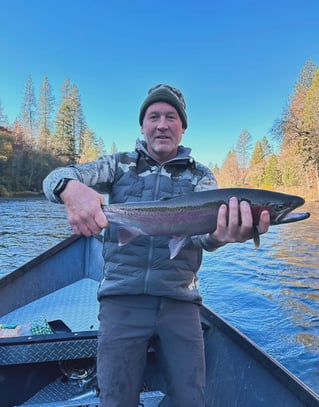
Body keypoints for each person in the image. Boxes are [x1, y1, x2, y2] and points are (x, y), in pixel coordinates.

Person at [43, 84, 270, 407]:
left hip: (180, 301)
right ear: (143, 125)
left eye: (171, 117)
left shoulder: (201, 177)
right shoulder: (119, 165)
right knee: (115, 400)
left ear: (182, 127)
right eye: (154, 116)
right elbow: (53, 179)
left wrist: (222, 236)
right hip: (121, 299)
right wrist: (69, 189)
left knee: (192, 400)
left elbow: (202, 238)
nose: (162, 124)